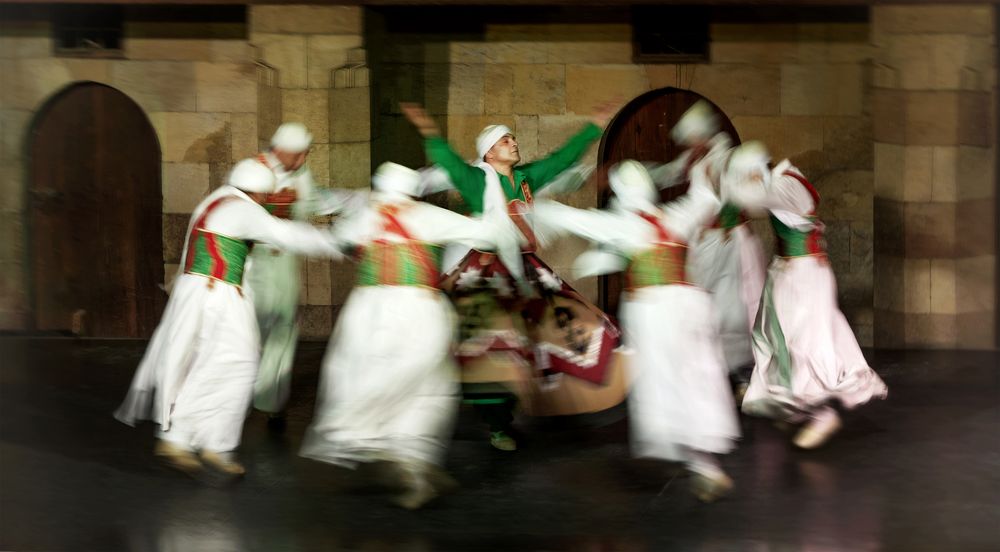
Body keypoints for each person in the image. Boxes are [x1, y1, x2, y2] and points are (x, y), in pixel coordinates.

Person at [400, 102, 620, 452]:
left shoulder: (525, 179)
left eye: (513, 138)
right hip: (486, 273)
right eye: (505, 140)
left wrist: (594, 126)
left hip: (525, 268)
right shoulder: (476, 180)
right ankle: (497, 424)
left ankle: (547, 397)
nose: (513, 144)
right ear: (488, 152)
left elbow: (561, 160)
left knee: (560, 329)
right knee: (490, 348)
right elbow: (452, 165)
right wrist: (429, 132)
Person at [301, 162, 518, 509]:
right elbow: (487, 234)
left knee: (367, 376)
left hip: (369, 311)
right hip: (417, 309)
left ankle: (388, 448)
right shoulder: (426, 215)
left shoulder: (366, 217)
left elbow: (336, 242)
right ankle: (413, 461)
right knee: (426, 387)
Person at [115, 159, 345, 484]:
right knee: (239, 364)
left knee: (210, 364)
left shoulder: (217, 200)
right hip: (219, 295)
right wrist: (339, 243)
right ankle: (207, 445)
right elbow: (286, 235)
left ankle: (188, 441)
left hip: (199, 290)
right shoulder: (243, 210)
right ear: (260, 192)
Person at [532, 159, 740, 502]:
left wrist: (538, 205)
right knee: (693, 379)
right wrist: (706, 168)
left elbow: (575, 220)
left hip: (654, 310)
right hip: (689, 304)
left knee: (663, 381)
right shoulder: (674, 214)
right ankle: (703, 462)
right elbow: (705, 200)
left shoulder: (623, 223)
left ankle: (689, 454)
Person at [722, 142, 888, 449]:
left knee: (805, 346)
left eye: (749, 175)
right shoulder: (780, 181)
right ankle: (795, 407)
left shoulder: (786, 185)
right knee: (774, 337)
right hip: (788, 273)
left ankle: (822, 414)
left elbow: (748, 197)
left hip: (804, 276)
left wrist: (727, 179)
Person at [649, 101, 767, 399]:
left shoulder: (728, 158)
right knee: (701, 303)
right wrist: (635, 177)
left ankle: (742, 373)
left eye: (694, 137)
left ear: (703, 135)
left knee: (734, 307)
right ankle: (704, 371)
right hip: (704, 243)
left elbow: (748, 191)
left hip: (730, 243)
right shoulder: (693, 160)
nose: (691, 143)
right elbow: (666, 174)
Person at [248, 123, 363, 426]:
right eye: (297, 156)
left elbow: (315, 201)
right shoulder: (252, 171)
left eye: (305, 155)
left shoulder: (301, 173)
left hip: (284, 265)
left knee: (283, 329)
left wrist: (355, 200)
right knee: (246, 330)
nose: (302, 161)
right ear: (280, 150)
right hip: (251, 265)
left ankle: (272, 402)